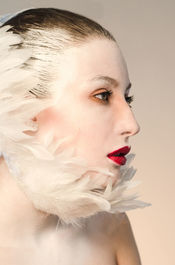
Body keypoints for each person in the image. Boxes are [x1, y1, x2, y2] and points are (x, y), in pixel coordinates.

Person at [0, 7, 149, 265]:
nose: (132, 125)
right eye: (102, 95)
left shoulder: (111, 227)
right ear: (22, 107)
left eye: (127, 98)